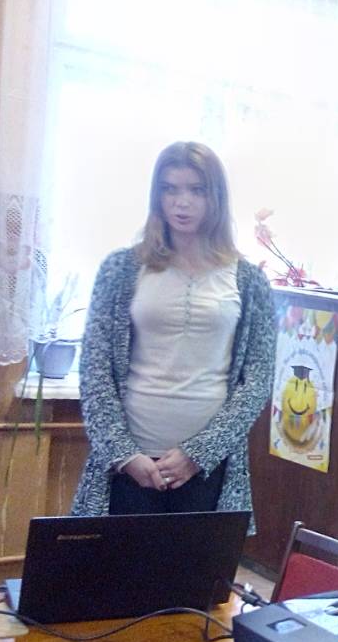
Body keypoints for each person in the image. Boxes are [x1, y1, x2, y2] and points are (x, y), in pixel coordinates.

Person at [71, 142, 275, 532]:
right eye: (170, 189)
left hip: (207, 468)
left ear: (216, 197)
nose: (182, 202)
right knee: (119, 570)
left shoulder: (249, 281)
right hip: (129, 466)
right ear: (157, 195)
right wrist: (124, 454)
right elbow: (95, 370)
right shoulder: (121, 268)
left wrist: (198, 453)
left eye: (196, 190)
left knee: (196, 572)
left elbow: (257, 380)